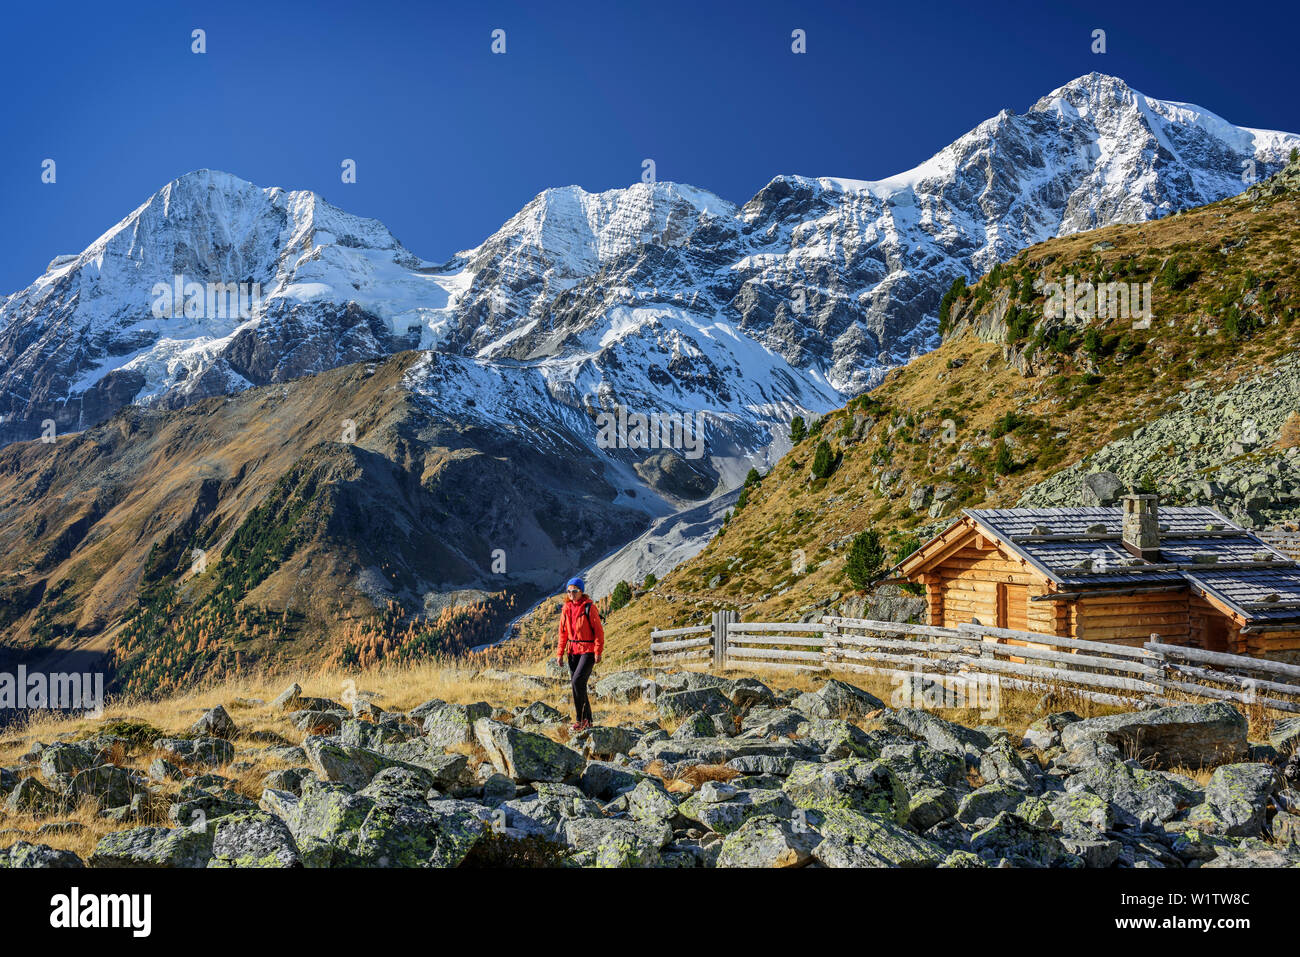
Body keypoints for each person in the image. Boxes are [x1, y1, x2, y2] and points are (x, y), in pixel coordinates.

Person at [556, 577, 603, 731]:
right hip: (572, 652)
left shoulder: (589, 607)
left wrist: (598, 650)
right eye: (569, 591)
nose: (571, 594)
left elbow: (598, 631)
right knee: (578, 686)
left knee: (577, 682)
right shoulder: (566, 608)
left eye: (574, 591)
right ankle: (587, 721)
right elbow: (562, 633)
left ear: (581, 592)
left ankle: (580, 720)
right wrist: (560, 653)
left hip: (588, 651)